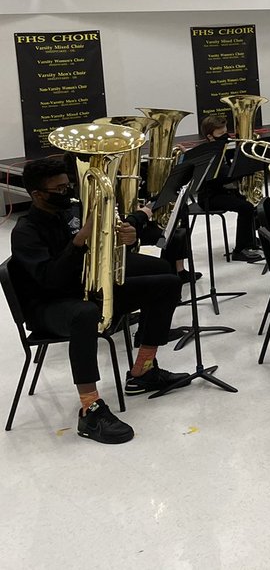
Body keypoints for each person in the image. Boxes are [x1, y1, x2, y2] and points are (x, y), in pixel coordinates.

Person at [9, 158, 190, 444]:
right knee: (84, 314)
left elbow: (100, 249)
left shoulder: (70, 212)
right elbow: (50, 280)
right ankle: (90, 408)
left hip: (85, 290)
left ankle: (143, 370)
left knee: (167, 284)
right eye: (58, 188)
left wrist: (127, 238)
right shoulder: (26, 232)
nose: (67, 193)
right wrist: (79, 239)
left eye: (68, 185)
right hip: (48, 306)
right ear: (38, 195)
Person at [195, 114, 262, 262]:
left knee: (252, 206)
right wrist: (244, 168)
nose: (225, 136)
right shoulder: (209, 153)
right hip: (210, 197)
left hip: (222, 191)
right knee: (245, 207)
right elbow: (223, 177)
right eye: (221, 134)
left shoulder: (221, 149)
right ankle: (239, 250)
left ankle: (250, 240)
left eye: (226, 132)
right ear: (210, 136)